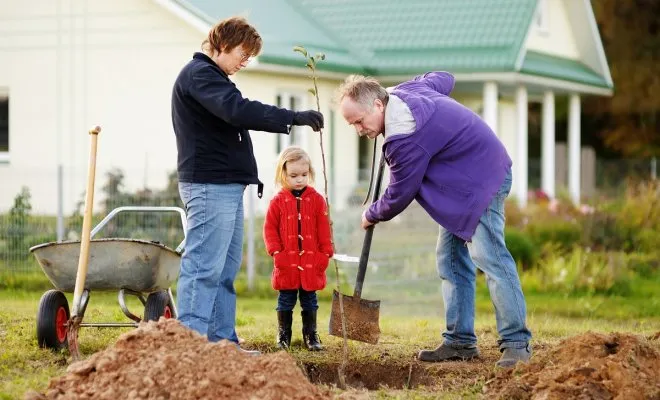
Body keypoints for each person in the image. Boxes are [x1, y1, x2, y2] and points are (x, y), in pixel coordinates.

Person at [337, 72, 532, 368]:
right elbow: (444, 78)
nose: (358, 130)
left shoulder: (404, 137)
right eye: (352, 124)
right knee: (450, 258)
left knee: (490, 257)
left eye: (359, 121)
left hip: (483, 179)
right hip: (461, 184)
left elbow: (401, 192)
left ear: (378, 105)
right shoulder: (405, 90)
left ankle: (517, 344)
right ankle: (460, 342)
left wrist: (371, 213)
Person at [171, 16, 324, 349]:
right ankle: (189, 347)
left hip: (225, 187)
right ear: (223, 43)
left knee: (224, 273)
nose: (245, 61)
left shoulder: (214, 78)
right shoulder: (200, 75)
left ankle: (223, 344)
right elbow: (238, 111)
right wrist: (292, 117)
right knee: (203, 267)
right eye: (243, 52)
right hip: (209, 186)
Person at [263, 146, 333, 351]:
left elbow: (323, 228)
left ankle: (311, 335)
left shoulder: (317, 200)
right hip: (287, 263)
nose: (299, 179)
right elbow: (269, 229)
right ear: (283, 173)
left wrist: (325, 252)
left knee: (310, 300)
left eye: (304, 174)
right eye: (294, 175)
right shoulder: (277, 201)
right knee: (285, 300)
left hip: (311, 262)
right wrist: (276, 252)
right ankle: (283, 334)